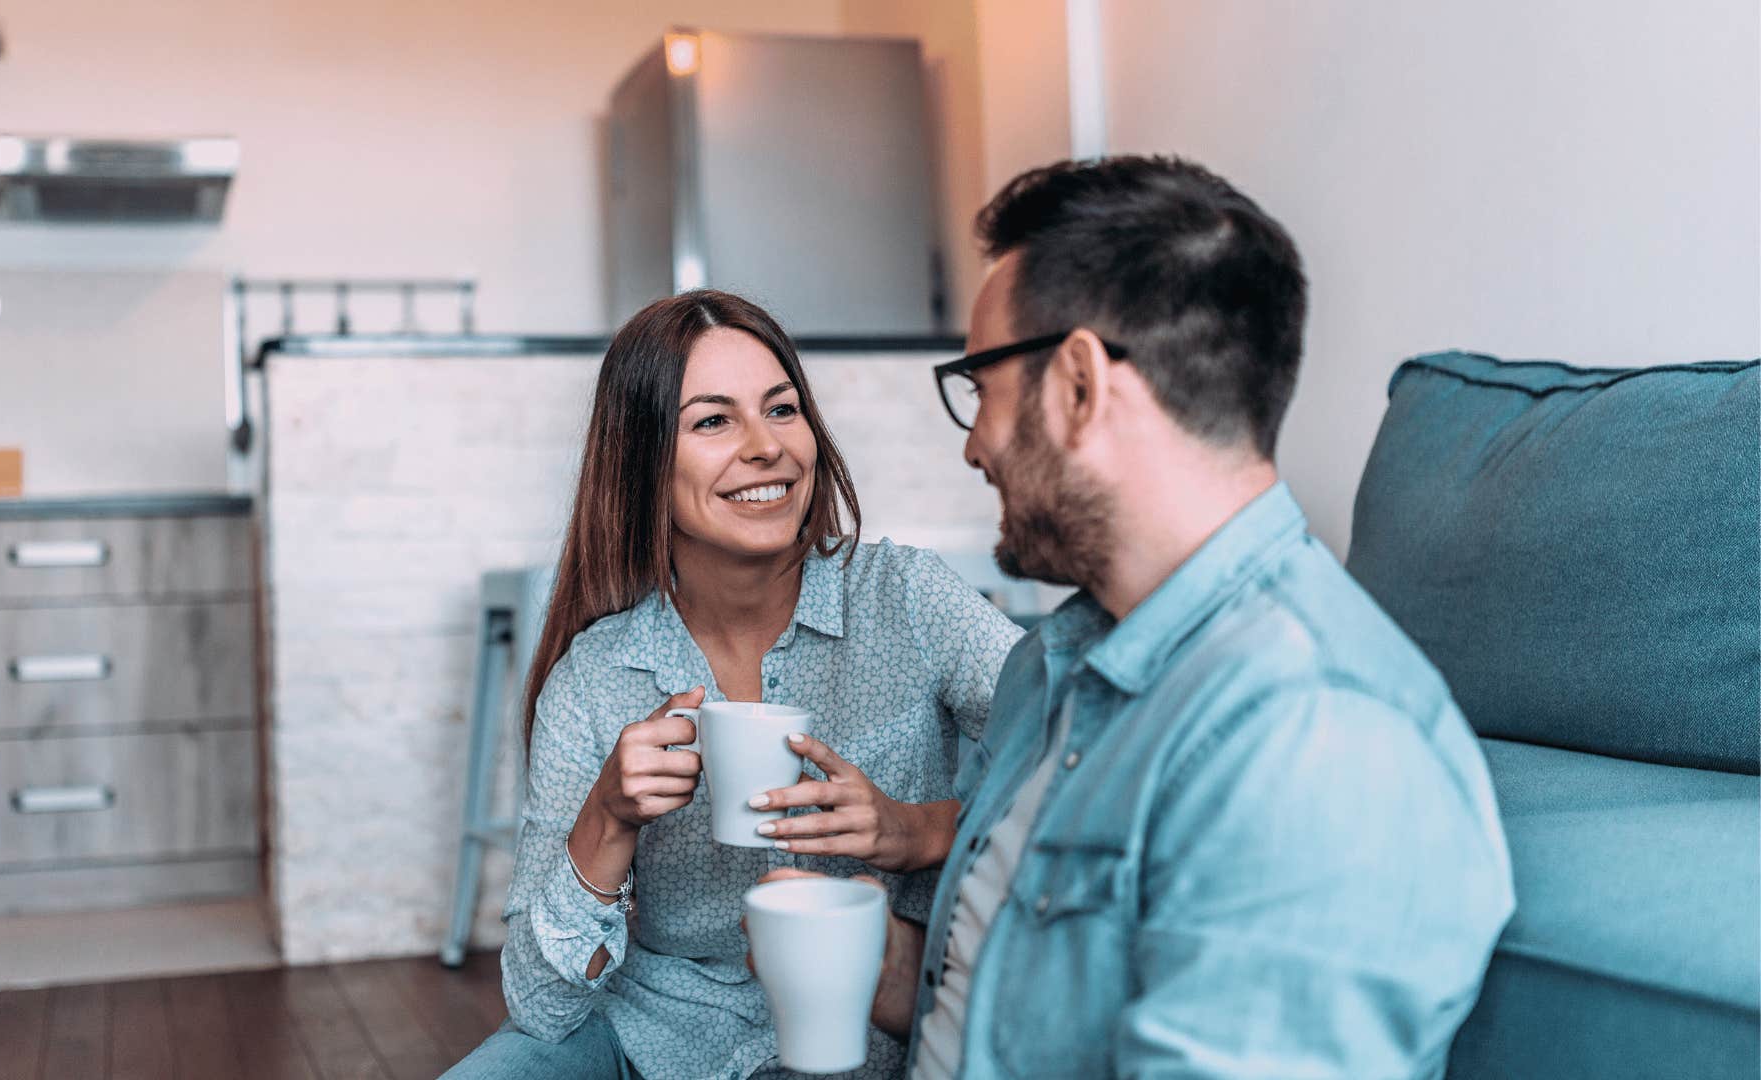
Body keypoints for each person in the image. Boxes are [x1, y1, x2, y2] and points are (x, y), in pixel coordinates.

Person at [759, 155, 1516, 1078]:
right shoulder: (1048, 666)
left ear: (1079, 386)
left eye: (981, 387)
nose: (974, 444)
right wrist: (888, 970)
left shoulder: (1318, 738)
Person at [444, 290, 1023, 1080]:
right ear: (643, 459)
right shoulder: (596, 677)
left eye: (782, 410)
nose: (766, 448)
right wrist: (608, 818)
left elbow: (1089, 755)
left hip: (865, 1033)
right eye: (713, 420)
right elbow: (542, 1009)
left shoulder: (906, 599)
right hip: (651, 1034)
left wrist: (917, 831)